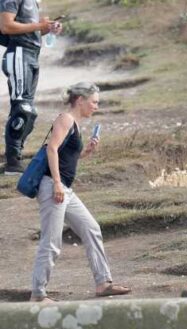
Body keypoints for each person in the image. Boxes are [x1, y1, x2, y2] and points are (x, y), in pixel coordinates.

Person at [30, 82, 131, 302]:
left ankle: (103, 283)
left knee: (91, 228)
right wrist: (56, 183)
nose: (96, 106)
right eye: (94, 102)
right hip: (53, 186)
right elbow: (52, 149)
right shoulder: (65, 119)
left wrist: (86, 152)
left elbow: (67, 157)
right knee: (52, 241)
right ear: (80, 100)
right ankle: (37, 294)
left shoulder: (75, 123)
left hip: (65, 188)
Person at [1, 0, 62, 175]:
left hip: (32, 54)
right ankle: (13, 162)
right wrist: (39, 24)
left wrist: (46, 28)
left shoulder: (33, 1)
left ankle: (15, 157)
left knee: (27, 111)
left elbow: (28, 30)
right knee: (23, 109)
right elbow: (6, 26)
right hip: (19, 53)